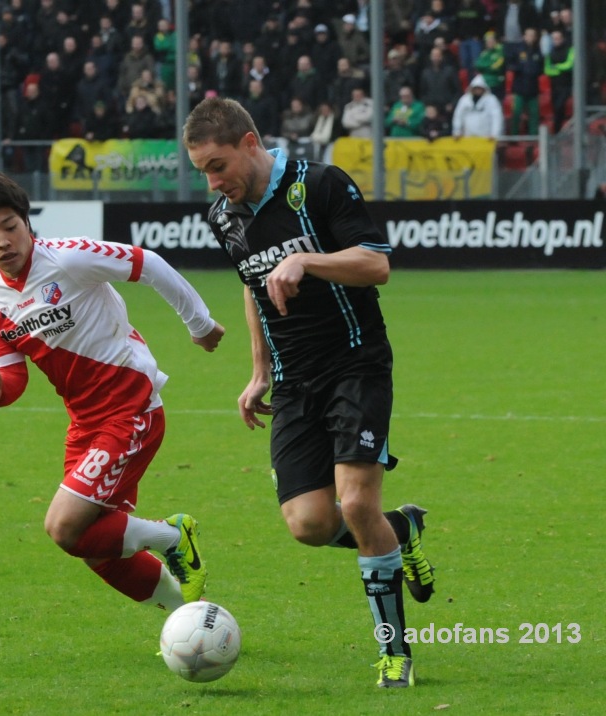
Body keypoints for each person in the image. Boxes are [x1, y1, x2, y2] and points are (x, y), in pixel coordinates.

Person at [182, 97, 435, 689]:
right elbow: (253, 287)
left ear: (250, 143)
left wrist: (307, 260)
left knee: (355, 504)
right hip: (294, 380)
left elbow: (376, 266)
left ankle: (394, 653)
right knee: (310, 524)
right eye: (203, 172)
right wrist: (259, 371)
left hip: (356, 364)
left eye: (218, 165)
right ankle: (404, 532)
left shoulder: (318, 185)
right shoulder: (224, 216)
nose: (214, 181)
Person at [0, 169, 225, 615]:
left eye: (10, 226)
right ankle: (193, 621)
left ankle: (174, 536)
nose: (2, 241)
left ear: (27, 223)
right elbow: (14, 377)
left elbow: (149, 264)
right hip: (85, 423)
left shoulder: (69, 260)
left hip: (131, 408)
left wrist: (198, 323)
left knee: (63, 528)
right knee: (93, 547)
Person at [451, 74, 505, 138]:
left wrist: (495, 133)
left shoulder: (491, 100)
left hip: (487, 138)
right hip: (467, 138)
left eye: (479, 88)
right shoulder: (464, 99)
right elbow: (458, 115)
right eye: (475, 88)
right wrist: (457, 131)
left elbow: (496, 117)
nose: (477, 90)